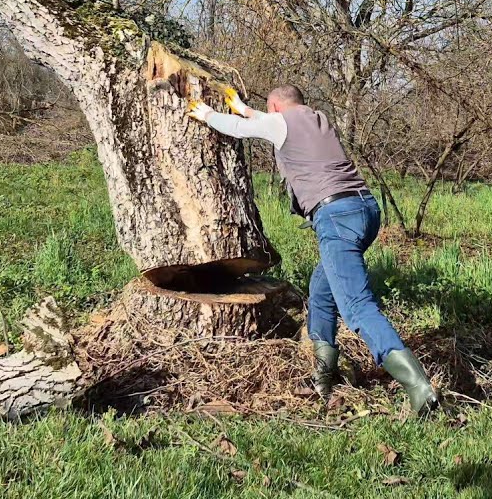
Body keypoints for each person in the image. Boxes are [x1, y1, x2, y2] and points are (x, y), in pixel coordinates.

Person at [188, 84, 439, 415]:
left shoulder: (280, 122)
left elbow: (241, 128)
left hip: (335, 216)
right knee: (322, 288)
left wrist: (207, 113)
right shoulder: (317, 118)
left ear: (276, 106)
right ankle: (323, 376)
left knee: (356, 306)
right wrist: (244, 107)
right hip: (365, 210)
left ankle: (419, 388)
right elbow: (267, 122)